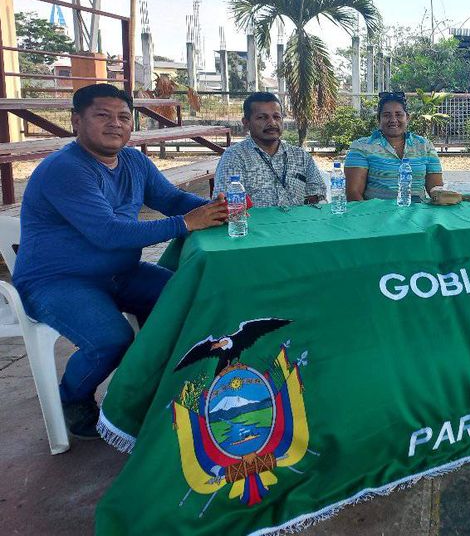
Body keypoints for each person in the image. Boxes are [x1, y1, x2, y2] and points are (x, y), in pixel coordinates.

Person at [12, 84, 228, 439]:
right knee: (111, 340)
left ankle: (152, 387)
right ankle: (71, 399)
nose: (116, 124)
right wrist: (188, 223)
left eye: (124, 117)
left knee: (189, 297)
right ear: (76, 121)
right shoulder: (65, 169)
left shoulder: (134, 161)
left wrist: (218, 209)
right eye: (103, 115)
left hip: (120, 273)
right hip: (57, 281)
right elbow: (109, 233)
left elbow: (171, 199)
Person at [214, 92, 325, 208]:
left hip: (298, 219)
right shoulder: (234, 157)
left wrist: (309, 203)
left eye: (276, 117)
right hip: (254, 220)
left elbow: (318, 191)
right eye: (262, 117)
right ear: (246, 123)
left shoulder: (301, 156)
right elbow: (226, 205)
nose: (272, 123)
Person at [345, 92, 444, 202]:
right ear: (379, 119)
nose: (393, 120)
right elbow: (353, 193)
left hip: (418, 211)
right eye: (387, 115)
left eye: (398, 114)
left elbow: (437, 191)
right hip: (377, 211)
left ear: (407, 118)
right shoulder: (361, 147)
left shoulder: (424, 146)